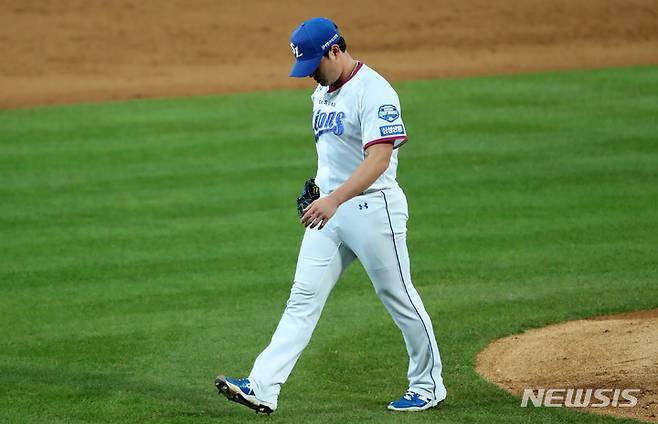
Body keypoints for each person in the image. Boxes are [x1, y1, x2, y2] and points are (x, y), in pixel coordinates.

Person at [215, 17, 447, 414]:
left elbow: (379, 158)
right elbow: (336, 155)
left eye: (314, 66)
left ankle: (428, 386)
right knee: (301, 299)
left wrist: (334, 198)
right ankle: (262, 386)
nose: (311, 76)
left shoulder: (374, 91)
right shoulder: (321, 93)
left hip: (374, 210)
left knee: (399, 297)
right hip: (330, 212)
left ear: (335, 50)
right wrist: (318, 189)